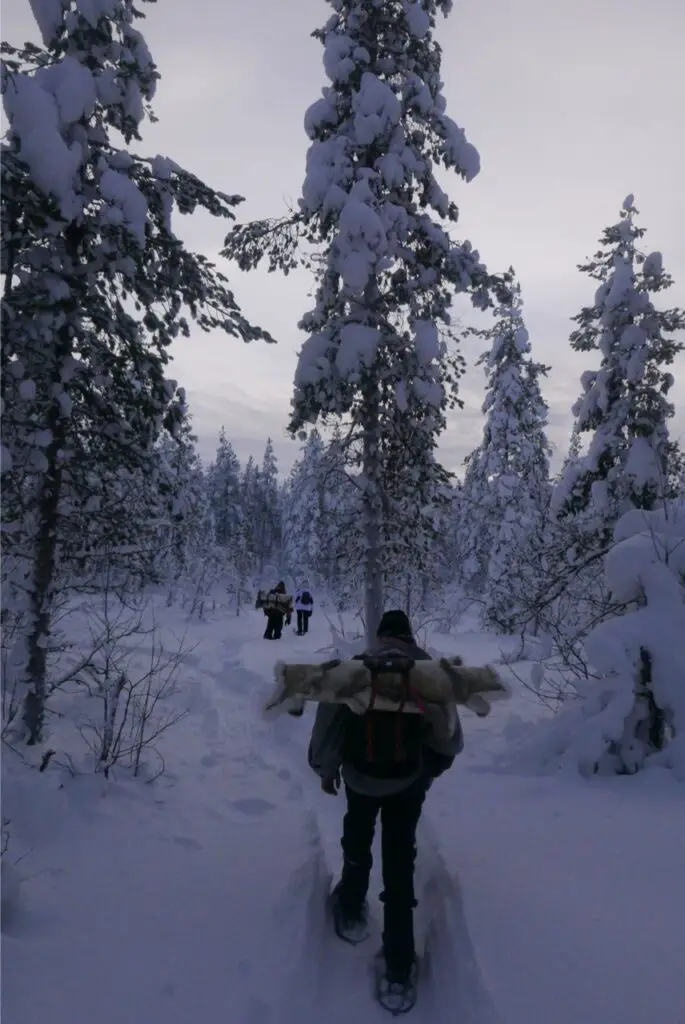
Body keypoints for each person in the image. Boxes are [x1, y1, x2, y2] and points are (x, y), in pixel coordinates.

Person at [307, 609, 463, 1006]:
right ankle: (398, 963)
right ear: (410, 636)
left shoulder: (356, 669)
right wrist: (431, 769)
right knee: (399, 860)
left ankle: (350, 905)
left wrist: (326, 771)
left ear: (379, 636)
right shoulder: (430, 673)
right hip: (408, 782)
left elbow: (327, 726)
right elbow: (449, 739)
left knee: (357, 836)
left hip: (360, 777)